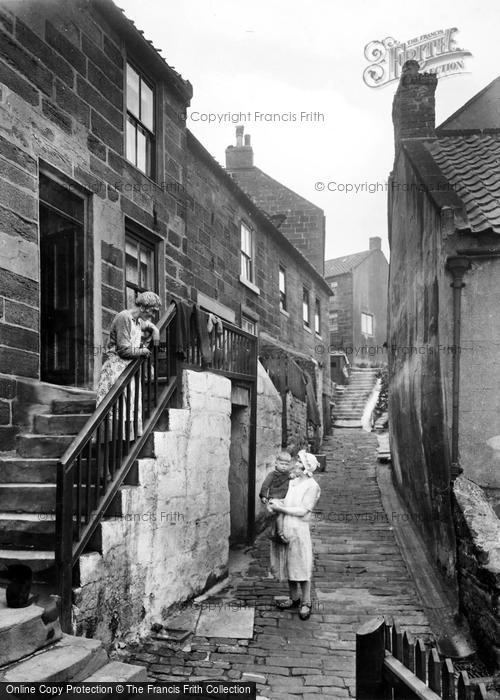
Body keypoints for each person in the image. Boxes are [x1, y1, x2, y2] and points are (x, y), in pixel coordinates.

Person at [96, 292, 161, 475]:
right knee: (109, 419)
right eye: (152, 311)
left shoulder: (138, 321)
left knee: (123, 420)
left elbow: (149, 328)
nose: (153, 316)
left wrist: (155, 331)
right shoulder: (123, 317)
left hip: (128, 375)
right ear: (143, 307)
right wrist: (143, 352)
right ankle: (102, 470)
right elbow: (124, 350)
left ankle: (117, 468)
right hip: (115, 373)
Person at [267, 449, 321, 621]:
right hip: (285, 526)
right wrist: (275, 502)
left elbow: (303, 509)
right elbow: (285, 499)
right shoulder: (293, 482)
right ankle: (294, 597)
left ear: (306, 468)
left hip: (299, 528)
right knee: (289, 564)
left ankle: (306, 601)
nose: (295, 464)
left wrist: (281, 508)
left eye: (299, 463)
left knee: (302, 565)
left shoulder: (312, 486)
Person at [259, 451, 293, 544]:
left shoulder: (288, 475)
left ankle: (280, 532)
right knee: (279, 513)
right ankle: (280, 534)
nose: (284, 466)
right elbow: (265, 486)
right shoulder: (272, 475)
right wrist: (264, 496)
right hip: (275, 499)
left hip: (285, 499)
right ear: (276, 463)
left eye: (286, 464)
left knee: (288, 514)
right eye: (282, 464)